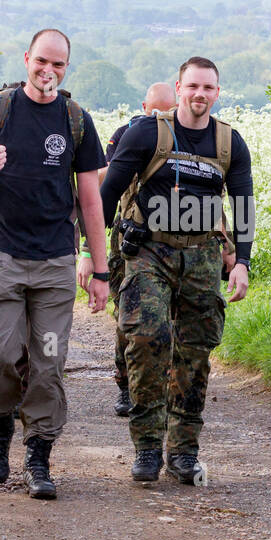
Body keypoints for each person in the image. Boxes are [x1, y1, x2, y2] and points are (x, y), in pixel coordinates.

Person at [0, 28, 109, 500]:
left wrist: (100, 271)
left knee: (49, 362)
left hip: (55, 263)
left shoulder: (76, 120)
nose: (49, 71)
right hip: (0, 257)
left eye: (58, 65)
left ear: (66, 68)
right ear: (26, 60)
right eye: (42, 62)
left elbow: (92, 202)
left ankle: (39, 456)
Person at [100, 57, 253, 484]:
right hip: (149, 250)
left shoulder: (229, 143)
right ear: (179, 87)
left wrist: (241, 261)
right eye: (193, 86)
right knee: (148, 339)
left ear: (217, 92)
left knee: (194, 351)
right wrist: (90, 255)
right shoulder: (147, 132)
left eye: (209, 88)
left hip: (202, 256)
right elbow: (108, 192)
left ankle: (184, 451)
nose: (200, 94)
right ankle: (147, 447)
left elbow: (243, 204)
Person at [97, 81, 178, 417]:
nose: (160, 116)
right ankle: (126, 384)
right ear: (144, 106)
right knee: (129, 315)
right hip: (130, 235)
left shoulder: (187, 135)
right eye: (154, 110)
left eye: (166, 110)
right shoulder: (126, 132)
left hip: (175, 240)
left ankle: (166, 385)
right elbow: (105, 179)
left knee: (170, 319)